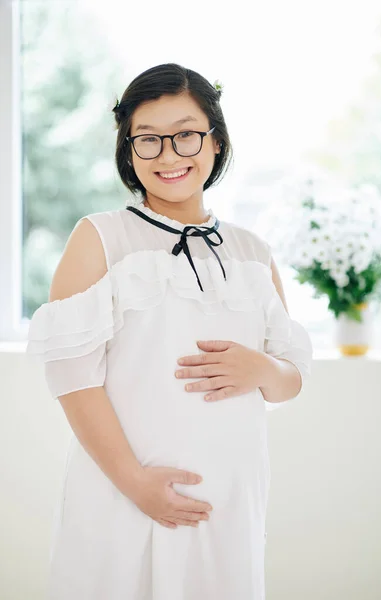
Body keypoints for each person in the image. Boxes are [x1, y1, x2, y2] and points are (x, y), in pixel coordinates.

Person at [26, 63, 313, 600]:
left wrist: (262, 368)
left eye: (186, 135)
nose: (169, 155)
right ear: (127, 150)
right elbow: (71, 376)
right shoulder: (101, 237)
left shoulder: (253, 252)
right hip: (121, 493)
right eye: (148, 140)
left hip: (230, 500)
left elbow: (291, 379)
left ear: (217, 141)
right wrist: (135, 483)